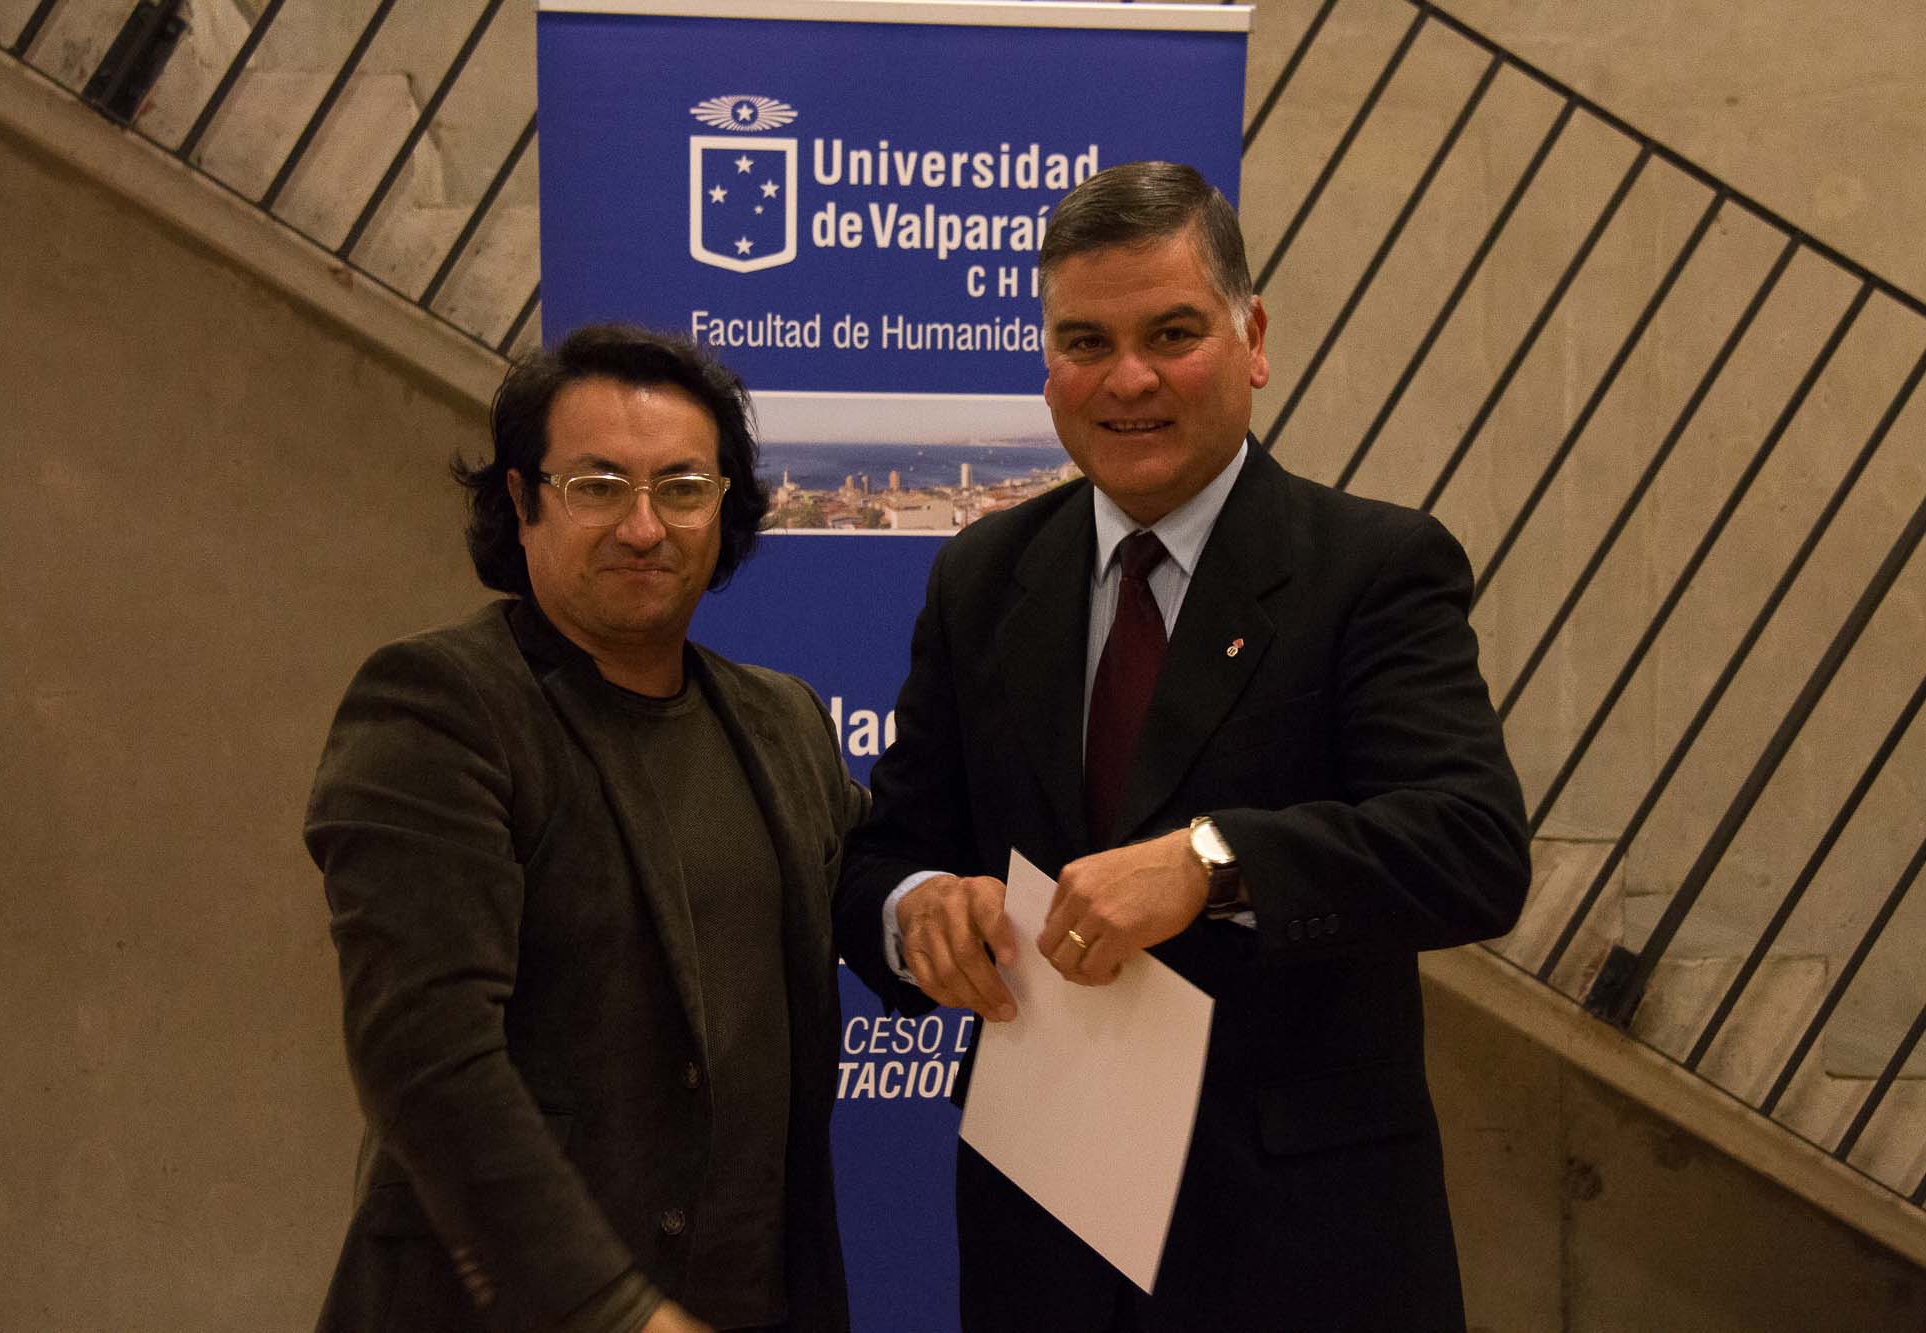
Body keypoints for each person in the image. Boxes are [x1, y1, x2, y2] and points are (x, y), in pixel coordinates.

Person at [836, 161, 1531, 1330]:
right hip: (1042, 1242)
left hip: (1299, 1254)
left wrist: (1212, 864)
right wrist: (916, 913)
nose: (1128, 379)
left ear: (1251, 339)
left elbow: (1469, 848)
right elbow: (885, 853)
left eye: (1171, 333)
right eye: (1085, 342)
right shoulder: (981, 578)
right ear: (1047, 366)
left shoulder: (1373, 568)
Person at [307, 324, 864, 1333]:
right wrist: (607, 1311)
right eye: (598, 486)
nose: (644, 527)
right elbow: (424, 1054)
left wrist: (934, 903)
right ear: (522, 501)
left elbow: (868, 883)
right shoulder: (438, 707)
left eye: (682, 488)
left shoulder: (780, 719)